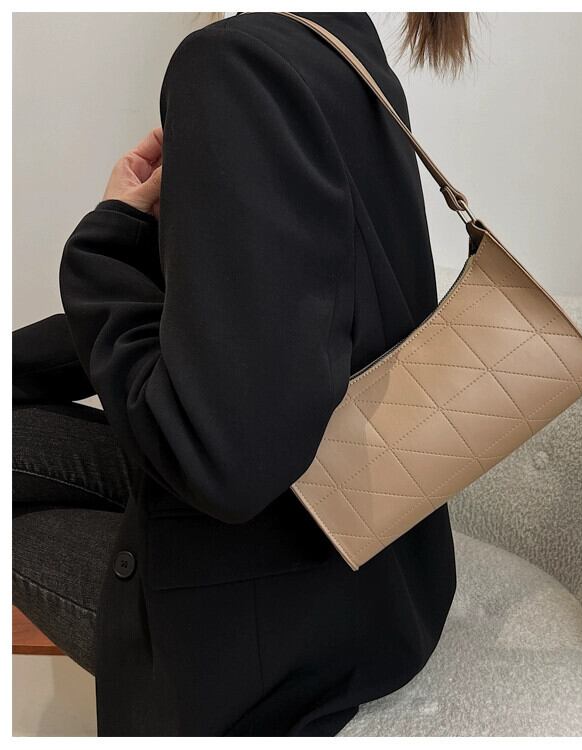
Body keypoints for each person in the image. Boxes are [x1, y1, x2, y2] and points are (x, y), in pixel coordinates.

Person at [12, 11, 473, 736]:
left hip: (276, 632)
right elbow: (216, 318)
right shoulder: (340, 49)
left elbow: (221, 462)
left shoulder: (233, 66)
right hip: (373, 575)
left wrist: (106, 238)